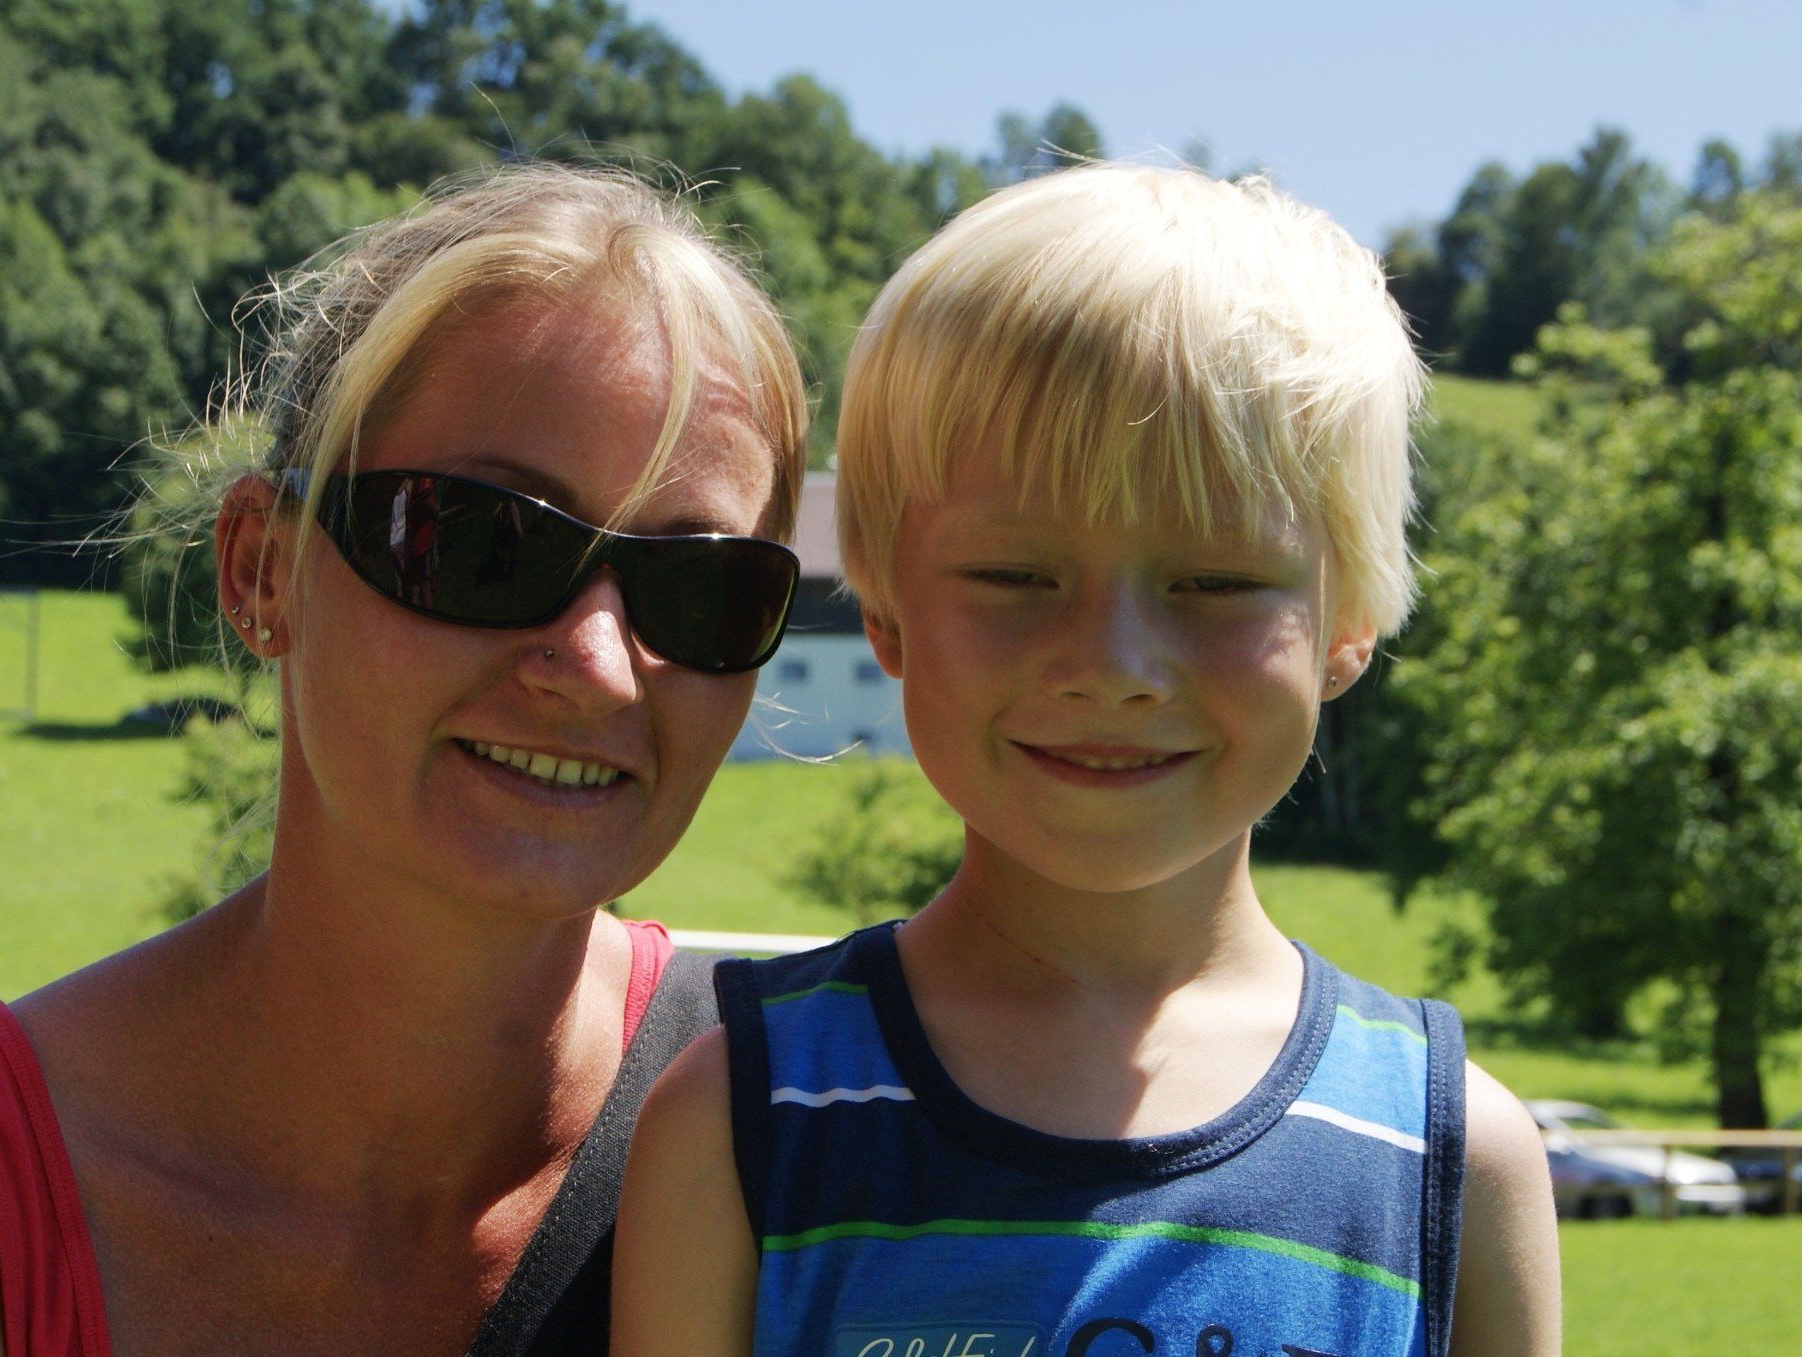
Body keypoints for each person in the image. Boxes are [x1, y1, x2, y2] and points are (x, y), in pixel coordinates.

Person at [0, 163, 809, 1356]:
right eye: (481, 540)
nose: (597, 666)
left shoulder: (823, 1157)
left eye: (700, 587)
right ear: (262, 569)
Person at [614, 163, 1560, 1357]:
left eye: (1214, 581)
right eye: (1015, 575)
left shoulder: (1452, 1155)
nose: (1111, 665)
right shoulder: (745, 1114)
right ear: (886, 612)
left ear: (1347, 626)